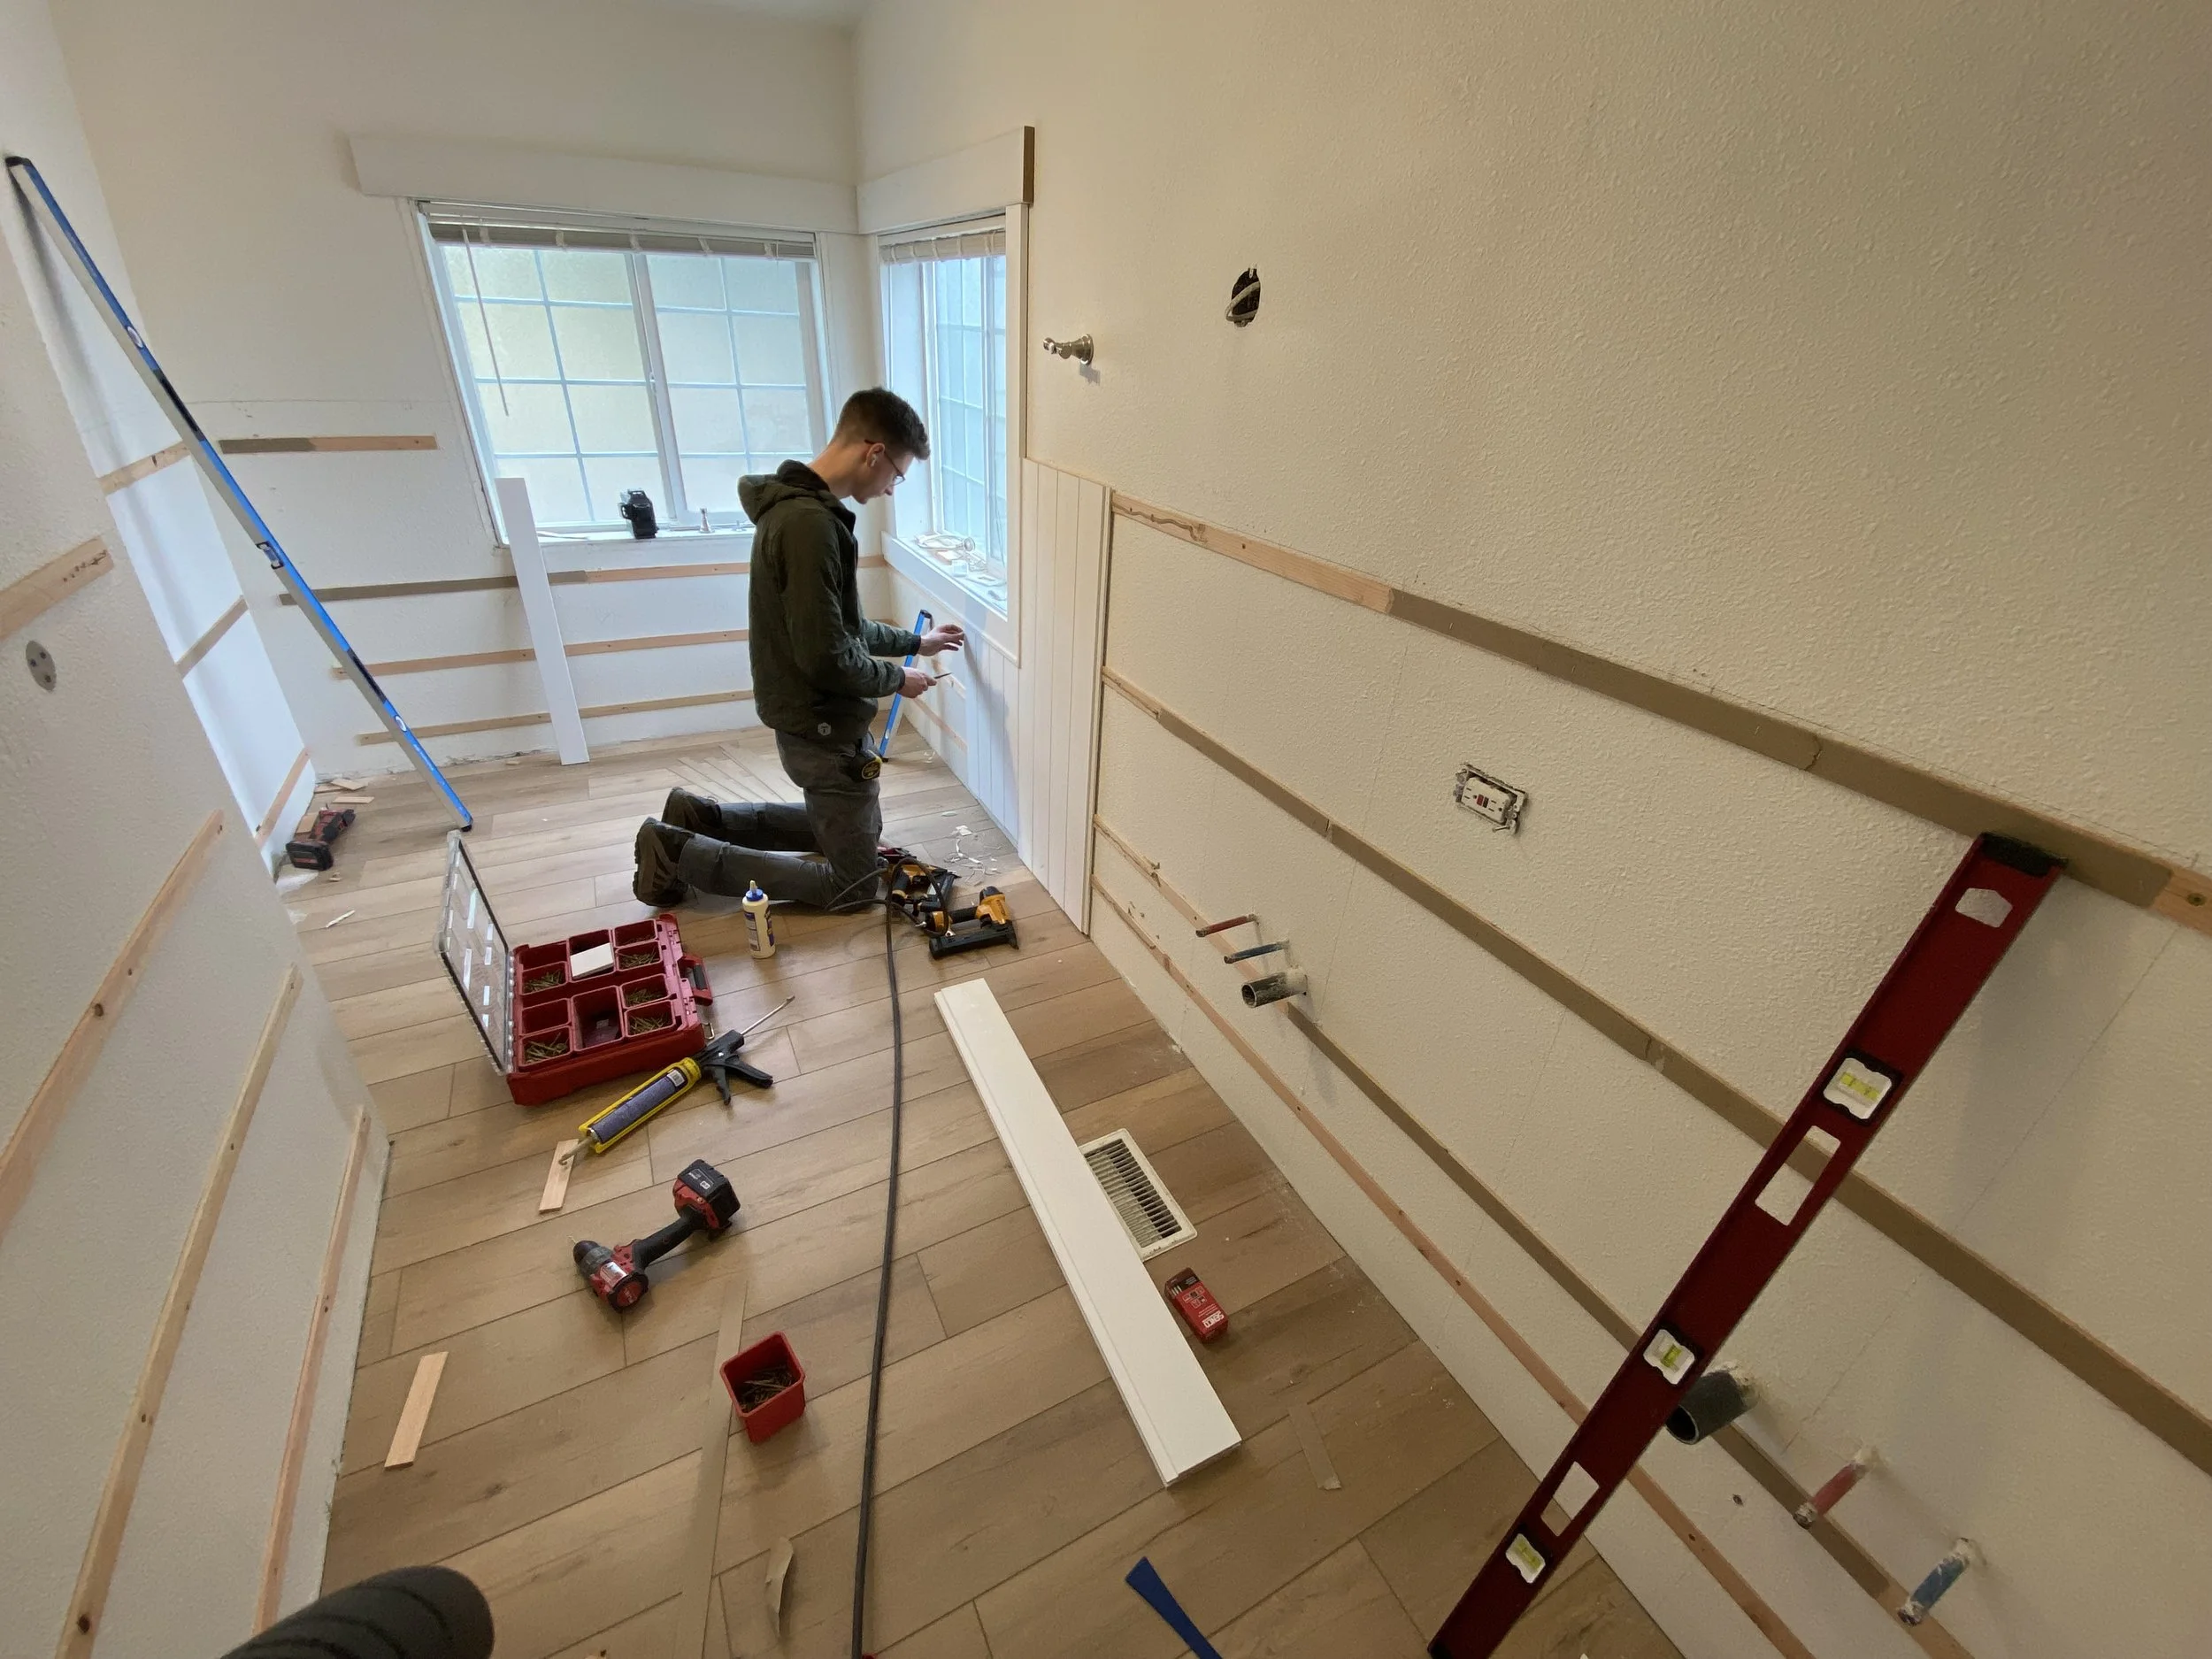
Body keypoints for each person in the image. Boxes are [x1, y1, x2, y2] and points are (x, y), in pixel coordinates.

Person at [632, 388, 964, 911]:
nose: (892, 489)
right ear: (873, 452)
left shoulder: (795, 509)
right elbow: (828, 657)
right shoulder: (810, 526)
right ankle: (677, 853)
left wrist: (915, 644)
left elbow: (844, 627)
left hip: (808, 718)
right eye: (896, 474)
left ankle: (698, 819)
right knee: (855, 884)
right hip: (822, 726)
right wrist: (898, 679)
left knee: (857, 827)